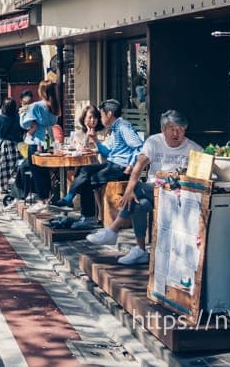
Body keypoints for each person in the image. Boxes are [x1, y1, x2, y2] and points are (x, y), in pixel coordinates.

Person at [87, 110, 202, 264]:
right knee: (140, 204)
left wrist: (131, 189)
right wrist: (130, 190)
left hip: (176, 196)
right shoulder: (154, 142)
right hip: (152, 193)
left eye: (181, 129)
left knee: (137, 189)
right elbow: (139, 164)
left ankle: (113, 230)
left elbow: (202, 174)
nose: (177, 133)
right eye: (172, 128)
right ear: (163, 129)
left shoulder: (194, 149)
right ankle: (141, 250)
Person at [54, 99, 144, 230]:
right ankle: (71, 200)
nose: (100, 118)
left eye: (101, 115)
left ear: (109, 113)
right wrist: (95, 139)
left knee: (88, 180)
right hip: (112, 163)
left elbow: (139, 146)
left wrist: (130, 166)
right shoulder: (115, 128)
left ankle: (86, 216)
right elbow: (108, 153)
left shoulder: (123, 126)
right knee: (84, 170)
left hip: (121, 167)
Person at [17, 88, 58, 211]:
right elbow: (53, 121)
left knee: (37, 171)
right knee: (45, 172)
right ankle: (47, 199)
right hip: (47, 142)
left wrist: (23, 112)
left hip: (35, 142)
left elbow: (25, 124)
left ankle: (42, 200)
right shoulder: (52, 106)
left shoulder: (36, 106)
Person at [0, 98, 25, 206]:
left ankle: (3, 186)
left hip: (5, 144)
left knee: (3, 166)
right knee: (16, 167)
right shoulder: (17, 118)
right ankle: (15, 187)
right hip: (17, 145)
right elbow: (23, 129)